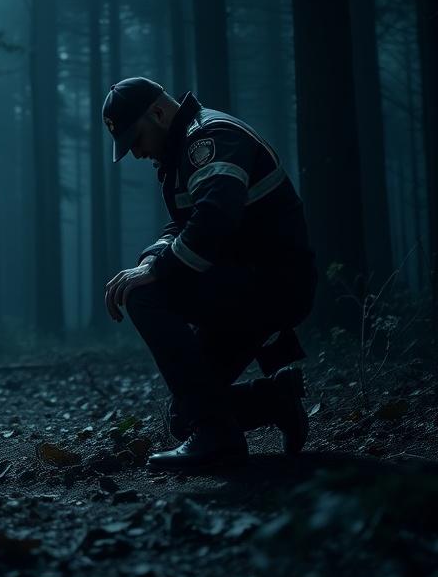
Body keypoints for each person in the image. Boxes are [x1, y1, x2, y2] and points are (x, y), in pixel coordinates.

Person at [101, 77, 317, 470]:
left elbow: (214, 220)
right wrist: (150, 262)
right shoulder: (183, 150)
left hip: (270, 284)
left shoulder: (210, 138)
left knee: (143, 295)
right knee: (185, 416)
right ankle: (274, 400)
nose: (136, 152)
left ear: (160, 113)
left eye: (137, 138)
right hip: (245, 284)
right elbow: (185, 225)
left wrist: (155, 272)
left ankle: (219, 440)